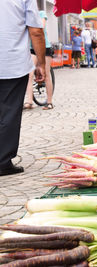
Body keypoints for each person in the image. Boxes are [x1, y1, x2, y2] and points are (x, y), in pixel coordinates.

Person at [0, 0, 45, 176]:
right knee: (9, 113)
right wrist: (41, 63)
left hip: (12, 63)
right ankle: (2, 161)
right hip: (12, 62)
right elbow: (36, 31)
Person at [24, 10, 54, 110]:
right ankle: (29, 101)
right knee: (29, 74)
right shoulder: (24, 15)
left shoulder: (41, 13)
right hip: (31, 48)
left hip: (44, 46)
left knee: (46, 74)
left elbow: (41, 27)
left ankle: (49, 102)